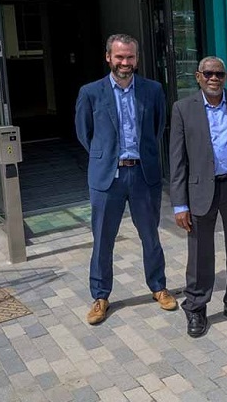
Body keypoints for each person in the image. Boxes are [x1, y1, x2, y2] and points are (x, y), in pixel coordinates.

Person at [74, 34, 176, 325]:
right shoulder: (91, 92)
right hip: (108, 177)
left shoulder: (153, 90)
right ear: (108, 57)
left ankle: (158, 286)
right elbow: (86, 134)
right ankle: (100, 296)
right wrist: (106, 156)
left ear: (137, 58)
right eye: (119, 57)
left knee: (150, 236)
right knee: (103, 240)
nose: (125, 62)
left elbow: (157, 128)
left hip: (143, 175)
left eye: (130, 57)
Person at [169, 57, 227, 338]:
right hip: (199, 191)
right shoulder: (183, 109)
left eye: (219, 74)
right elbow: (177, 161)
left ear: (225, 77)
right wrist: (179, 203)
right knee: (200, 253)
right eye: (208, 73)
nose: (214, 78)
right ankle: (196, 308)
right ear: (198, 76)